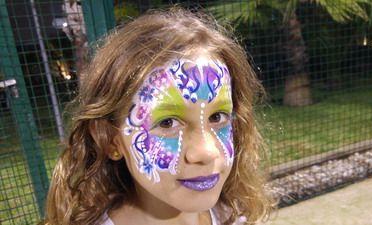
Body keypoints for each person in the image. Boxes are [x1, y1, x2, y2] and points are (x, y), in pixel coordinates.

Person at [44, 7, 274, 225]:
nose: (207, 152)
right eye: (167, 123)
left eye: (217, 117)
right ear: (111, 140)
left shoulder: (231, 215)